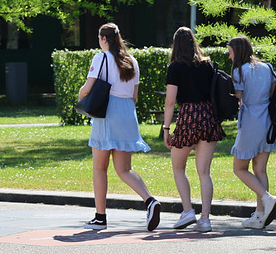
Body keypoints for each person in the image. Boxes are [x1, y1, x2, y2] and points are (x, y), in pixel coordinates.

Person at [78, 23, 161, 230]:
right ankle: (150, 200)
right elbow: (134, 97)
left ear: (104, 39)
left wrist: (80, 100)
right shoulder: (132, 61)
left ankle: (100, 217)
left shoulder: (100, 58)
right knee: (124, 169)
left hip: (108, 111)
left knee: (99, 167)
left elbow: (87, 89)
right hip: (127, 113)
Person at [160, 27, 227, 232]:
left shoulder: (175, 68)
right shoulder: (207, 65)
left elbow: (170, 102)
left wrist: (166, 128)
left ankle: (188, 210)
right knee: (204, 172)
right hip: (208, 117)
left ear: (175, 45)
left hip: (188, 117)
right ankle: (205, 219)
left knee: (178, 166)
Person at [227, 36, 276, 229]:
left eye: (230, 52)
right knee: (260, 169)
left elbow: (238, 97)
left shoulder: (238, 71)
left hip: (251, 120)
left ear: (238, 51)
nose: (229, 56)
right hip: (268, 120)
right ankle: (260, 216)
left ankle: (267, 199)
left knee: (239, 168)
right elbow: (274, 92)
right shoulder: (267, 68)